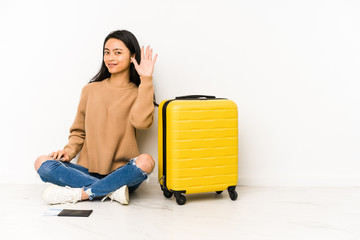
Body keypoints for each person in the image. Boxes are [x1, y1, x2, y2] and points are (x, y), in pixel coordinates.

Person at [33, 30, 158, 205]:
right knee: (41, 162)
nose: (110, 58)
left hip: (122, 173)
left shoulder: (139, 92)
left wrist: (146, 79)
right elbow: (78, 131)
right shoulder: (90, 90)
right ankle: (111, 191)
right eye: (106, 52)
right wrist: (68, 152)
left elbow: (142, 123)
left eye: (117, 52)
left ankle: (81, 194)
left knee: (146, 161)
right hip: (86, 171)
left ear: (132, 56)